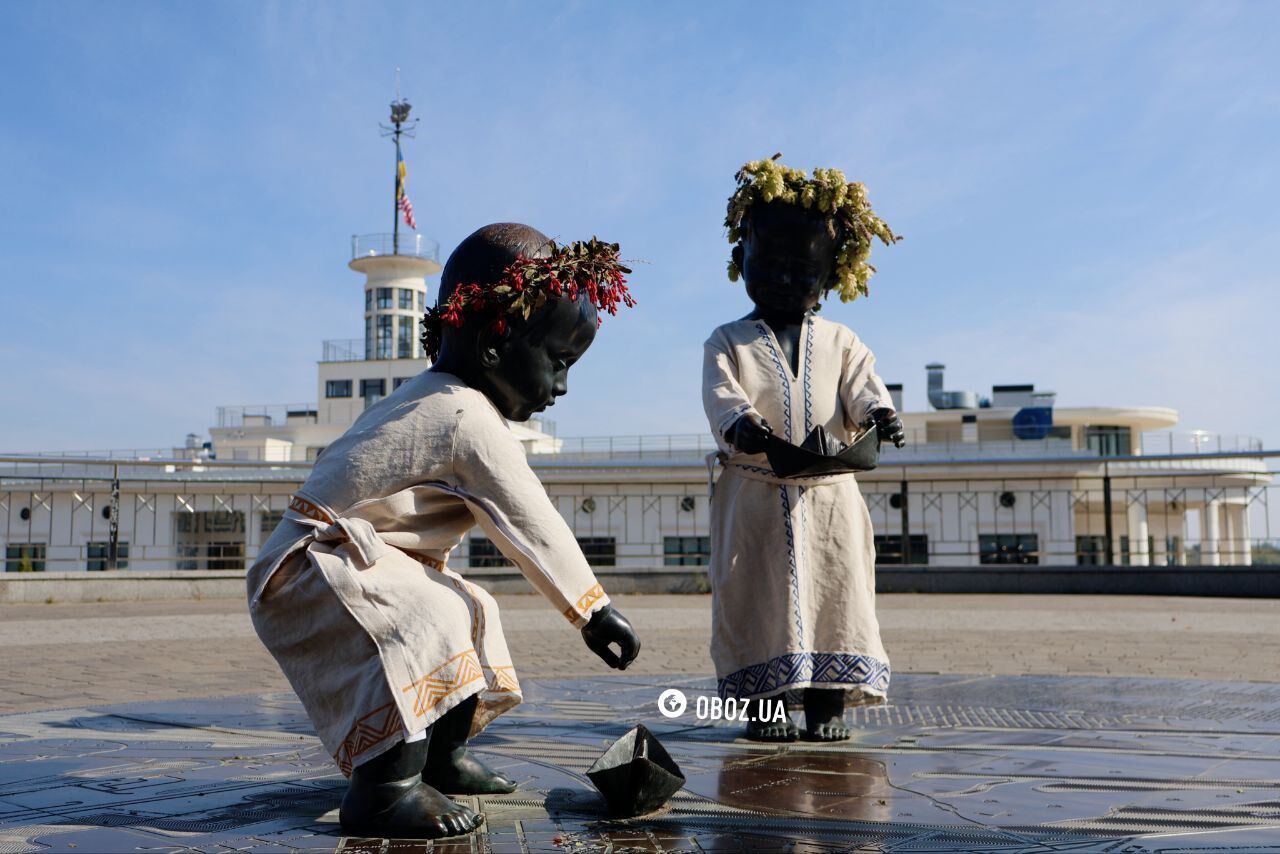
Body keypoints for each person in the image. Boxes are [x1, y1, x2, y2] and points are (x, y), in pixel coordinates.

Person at [247, 223, 640, 839]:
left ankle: (438, 757)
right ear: (494, 343)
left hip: (345, 562)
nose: (561, 387)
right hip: (306, 566)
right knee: (426, 615)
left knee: (470, 603)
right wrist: (593, 611)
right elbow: (527, 518)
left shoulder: (444, 397)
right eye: (558, 362)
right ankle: (383, 792)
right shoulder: (462, 414)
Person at [702, 158, 905, 742]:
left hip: (830, 495)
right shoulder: (727, 339)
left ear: (829, 277)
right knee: (754, 596)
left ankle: (827, 704)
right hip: (756, 496)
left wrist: (879, 416)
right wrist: (739, 424)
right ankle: (764, 706)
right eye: (769, 266)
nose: (784, 281)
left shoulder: (842, 340)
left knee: (836, 594)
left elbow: (864, 388)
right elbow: (722, 394)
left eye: (802, 272)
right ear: (742, 261)